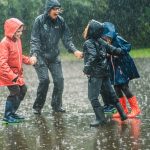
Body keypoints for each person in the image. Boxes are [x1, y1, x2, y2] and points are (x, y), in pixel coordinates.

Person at [30, 0, 83, 114]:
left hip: (54, 56)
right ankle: (37, 107)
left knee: (59, 81)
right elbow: (35, 40)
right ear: (48, 9)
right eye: (55, 9)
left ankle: (56, 105)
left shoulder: (61, 21)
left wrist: (75, 51)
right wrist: (34, 54)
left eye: (59, 9)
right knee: (44, 80)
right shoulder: (39, 20)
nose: (57, 11)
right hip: (39, 55)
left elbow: (67, 39)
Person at [82, 19, 127, 127]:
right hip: (105, 72)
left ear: (91, 31)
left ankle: (100, 119)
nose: (86, 29)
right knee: (111, 94)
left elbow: (93, 56)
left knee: (93, 97)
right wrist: (120, 51)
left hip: (96, 73)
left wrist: (86, 68)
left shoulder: (88, 42)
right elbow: (111, 49)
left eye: (88, 27)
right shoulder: (101, 40)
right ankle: (123, 114)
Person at [0, 18, 37, 123]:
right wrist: (12, 76)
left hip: (17, 73)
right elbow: (2, 63)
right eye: (18, 31)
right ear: (11, 30)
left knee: (23, 90)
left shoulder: (17, 40)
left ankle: (12, 113)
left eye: (21, 31)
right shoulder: (4, 43)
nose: (20, 33)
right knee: (15, 91)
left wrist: (29, 60)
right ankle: (7, 116)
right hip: (7, 74)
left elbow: (19, 56)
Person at [101, 22, 141, 118]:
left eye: (106, 36)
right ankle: (123, 109)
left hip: (122, 66)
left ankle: (136, 109)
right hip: (113, 68)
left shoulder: (117, 39)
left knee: (124, 87)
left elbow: (128, 46)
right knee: (116, 88)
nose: (105, 38)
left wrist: (119, 52)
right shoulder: (105, 42)